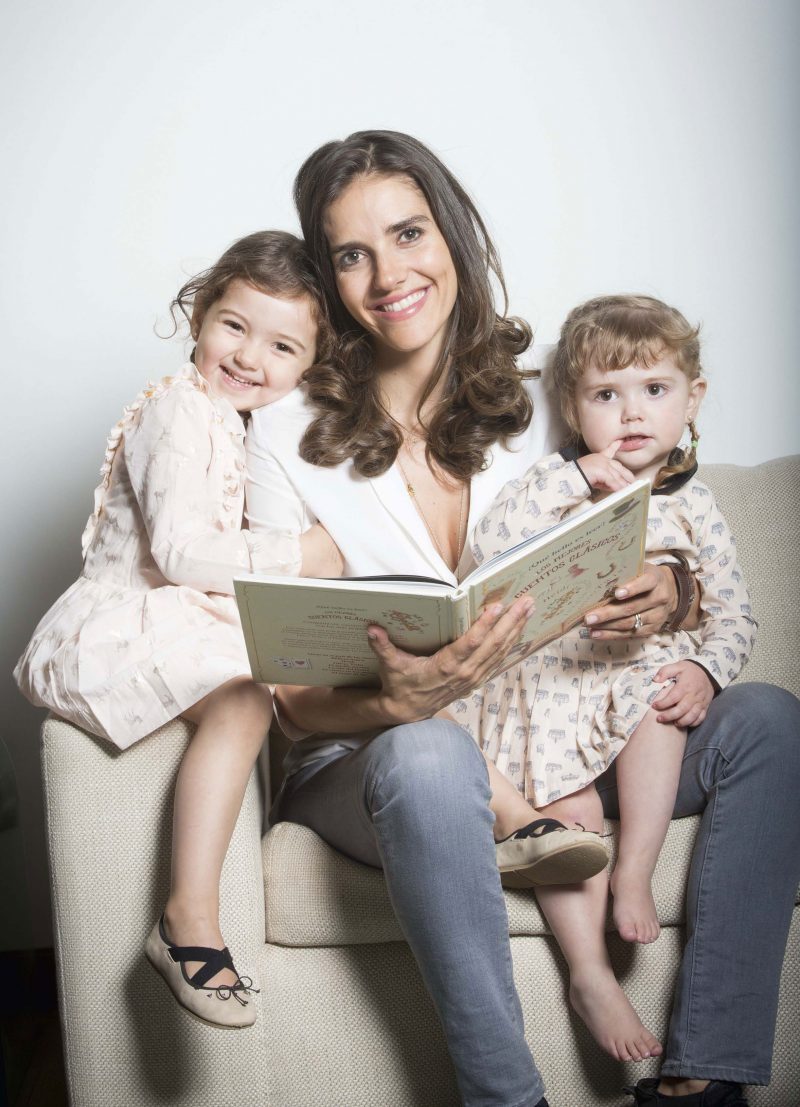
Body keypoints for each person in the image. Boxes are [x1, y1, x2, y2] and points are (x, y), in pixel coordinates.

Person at [245, 131, 800, 1106]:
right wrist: (393, 703)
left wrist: (672, 590)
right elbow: (286, 699)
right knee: (428, 754)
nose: (389, 276)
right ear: (328, 280)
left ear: (450, 236)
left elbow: (658, 511)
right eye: (351, 254)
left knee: (766, 721)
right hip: (374, 759)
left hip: (554, 727)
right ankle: (506, 1096)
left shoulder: (542, 398)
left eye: (408, 233)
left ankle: (706, 1076)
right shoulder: (286, 433)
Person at [14, 230, 342, 1029]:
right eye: (235, 326)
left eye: (282, 346)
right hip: (115, 624)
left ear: (307, 366)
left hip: (170, 613)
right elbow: (181, 552)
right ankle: (187, 918)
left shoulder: (240, 425)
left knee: (284, 682)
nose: (250, 356)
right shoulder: (179, 409)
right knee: (248, 693)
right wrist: (300, 554)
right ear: (199, 317)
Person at [450, 293, 756, 1065]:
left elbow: (736, 615)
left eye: (654, 389)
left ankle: (635, 871)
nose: (633, 412)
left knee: (662, 695)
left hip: (638, 686)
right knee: (569, 805)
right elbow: (488, 548)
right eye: (606, 395)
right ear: (572, 408)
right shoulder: (553, 483)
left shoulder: (696, 505)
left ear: (693, 398)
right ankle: (588, 973)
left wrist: (705, 667)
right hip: (555, 690)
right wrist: (571, 481)